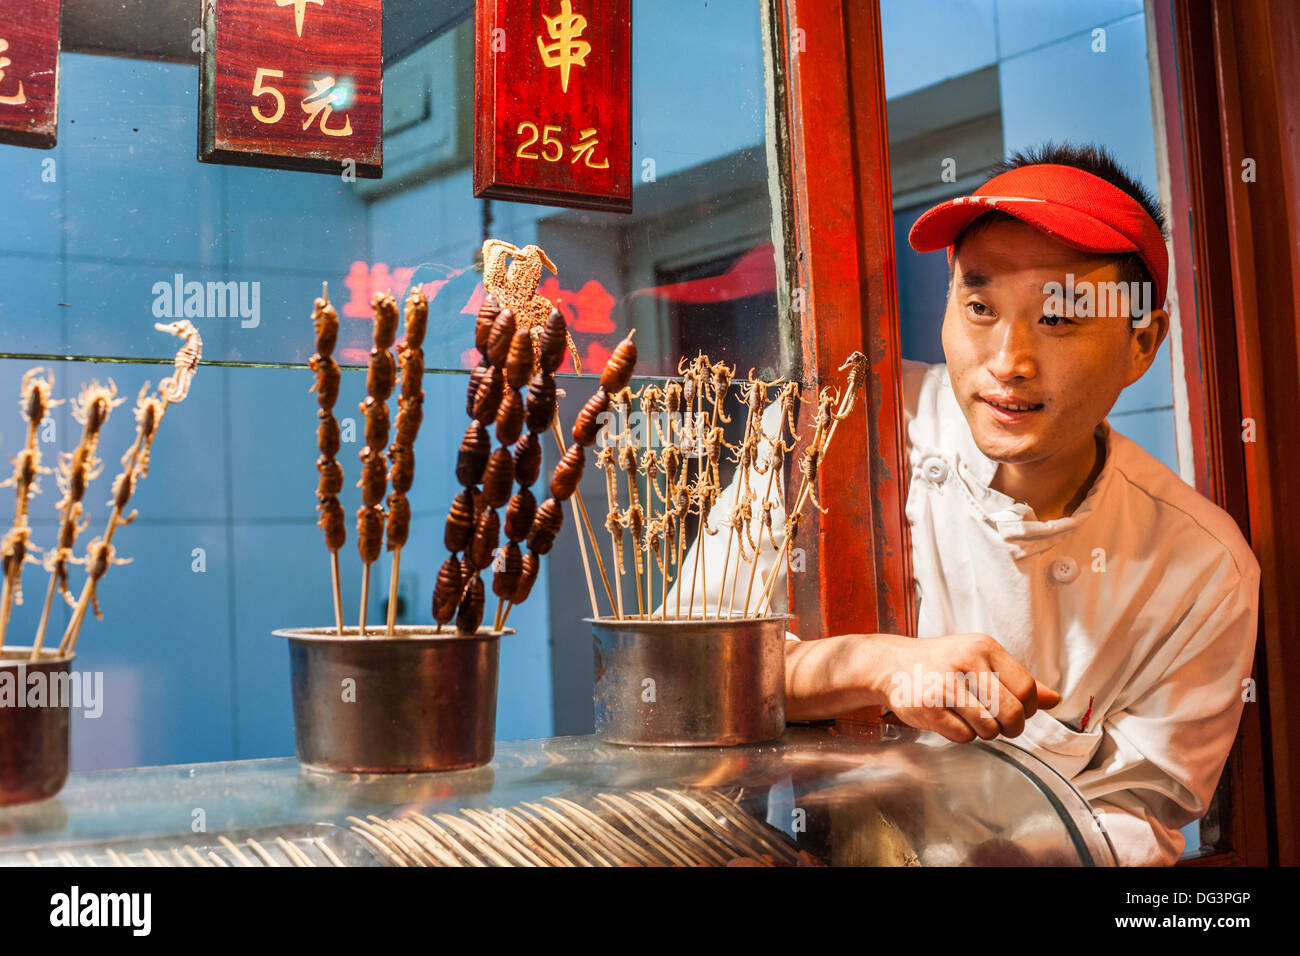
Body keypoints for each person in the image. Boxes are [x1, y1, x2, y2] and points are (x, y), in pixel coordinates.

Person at [670, 143, 1261, 866]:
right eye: (980, 307)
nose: (1007, 361)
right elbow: (678, 676)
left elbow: (1139, 812)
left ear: (1142, 343)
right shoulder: (831, 435)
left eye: (1059, 319)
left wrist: (1021, 853)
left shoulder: (1202, 568)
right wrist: (876, 665)